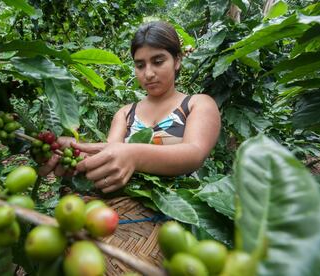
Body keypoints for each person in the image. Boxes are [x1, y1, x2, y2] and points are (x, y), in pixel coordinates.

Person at [39, 21, 221, 193]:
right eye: (140, 65)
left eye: (158, 62)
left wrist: (134, 156)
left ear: (177, 61)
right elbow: (111, 154)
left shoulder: (197, 104)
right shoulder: (126, 113)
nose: (148, 73)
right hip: (128, 215)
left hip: (180, 211)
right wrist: (74, 149)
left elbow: (194, 153)